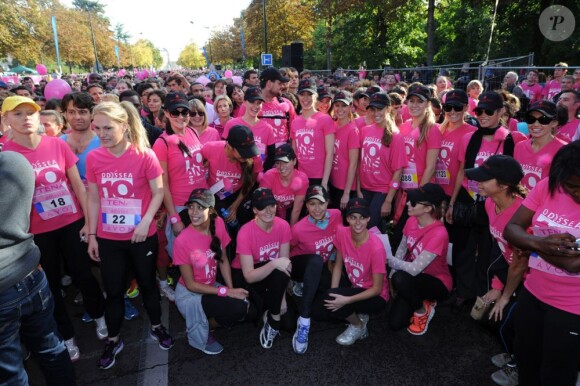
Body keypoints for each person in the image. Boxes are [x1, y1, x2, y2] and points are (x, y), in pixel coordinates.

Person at [3, 95, 107, 362]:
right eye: (17, 114)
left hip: (71, 223)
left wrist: (88, 223)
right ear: (5, 120)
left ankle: (99, 316)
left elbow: (77, 185)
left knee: (84, 274)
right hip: (35, 233)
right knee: (50, 285)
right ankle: (66, 334)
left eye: (30, 113)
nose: (26, 118)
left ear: (39, 117)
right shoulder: (5, 154)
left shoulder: (56, 145)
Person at [86, 101, 174, 370]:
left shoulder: (144, 155)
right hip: (109, 238)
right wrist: (91, 235)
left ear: (124, 126)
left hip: (141, 236)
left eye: (109, 128)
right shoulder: (93, 157)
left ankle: (157, 326)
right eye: (97, 128)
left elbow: (158, 191)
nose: (103, 133)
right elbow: (93, 198)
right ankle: (113, 339)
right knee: (113, 291)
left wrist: (145, 222)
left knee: (148, 285)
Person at [504, 141, 580, 386]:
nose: (577, 193)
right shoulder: (548, 186)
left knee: (556, 375)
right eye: (571, 187)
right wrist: (539, 243)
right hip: (533, 293)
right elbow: (511, 228)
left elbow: (574, 264)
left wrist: (531, 244)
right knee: (526, 362)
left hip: (572, 308)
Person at [0, 151, 76, 386]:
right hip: (31, 273)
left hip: (6, 285)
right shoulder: (15, 161)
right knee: (51, 348)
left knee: (10, 373)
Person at [447, 91, 525, 307]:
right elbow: (462, 172)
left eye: (488, 111)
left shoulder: (514, 139)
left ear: (501, 112)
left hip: (496, 204)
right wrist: (452, 203)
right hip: (468, 200)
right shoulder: (468, 137)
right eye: (479, 111)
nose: (482, 115)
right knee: (463, 250)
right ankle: (464, 291)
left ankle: (484, 295)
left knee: (488, 255)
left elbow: (515, 175)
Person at [463, 155, 527, 386]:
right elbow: (499, 247)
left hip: (530, 277)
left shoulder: (522, 214)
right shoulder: (490, 203)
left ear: (504, 185)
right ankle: (514, 355)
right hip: (509, 272)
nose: (477, 182)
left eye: (484, 179)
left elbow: (521, 263)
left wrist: (504, 294)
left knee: (511, 323)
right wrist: (497, 286)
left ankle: (521, 367)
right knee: (498, 322)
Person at [173, 188, 252, 355]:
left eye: (200, 207)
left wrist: (231, 289)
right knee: (236, 308)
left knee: (245, 308)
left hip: (210, 287)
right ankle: (200, 327)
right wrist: (226, 291)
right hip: (190, 295)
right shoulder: (182, 240)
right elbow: (191, 285)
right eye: (191, 207)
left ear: (211, 210)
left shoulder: (219, 224)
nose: (193, 212)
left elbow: (223, 259)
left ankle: (205, 324)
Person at [153, 92, 207, 301]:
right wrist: (174, 217)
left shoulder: (192, 131)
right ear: (166, 113)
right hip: (181, 206)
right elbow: (162, 184)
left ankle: (198, 287)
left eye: (186, 112)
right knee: (180, 253)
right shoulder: (162, 143)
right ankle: (168, 285)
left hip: (201, 203)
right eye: (176, 112)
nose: (182, 116)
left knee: (198, 250)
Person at [231, 187, 292, 349]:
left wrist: (282, 298)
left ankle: (272, 313)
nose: (268, 210)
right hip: (246, 275)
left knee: (291, 324)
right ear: (254, 210)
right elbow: (249, 276)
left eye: (271, 205)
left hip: (272, 274)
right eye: (262, 207)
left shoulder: (283, 226)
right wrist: (273, 263)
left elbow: (285, 264)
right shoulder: (245, 232)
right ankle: (273, 320)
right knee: (269, 316)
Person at [388, 183, 452, 335]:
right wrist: (390, 276)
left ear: (428, 208)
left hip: (436, 282)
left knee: (400, 278)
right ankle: (423, 300)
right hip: (413, 279)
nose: (408, 204)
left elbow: (415, 269)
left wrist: (388, 260)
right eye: (410, 199)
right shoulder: (411, 220)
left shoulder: (439, 234)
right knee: (395, 323)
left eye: (414, 202)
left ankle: (422, 310)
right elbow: (402, 249)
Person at [322, 197, 388, 345]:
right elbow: (338, 265)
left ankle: (359, 326)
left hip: (375, 296)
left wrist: (345, 300)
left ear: (368, 218)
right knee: (327, 304)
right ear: (347, 219)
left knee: (334, 303)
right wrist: (334, 292)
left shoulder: (376, 248)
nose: (358, 222)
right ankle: (357, 314)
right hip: (355, 285)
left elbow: (377, 289)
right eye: (353, 217)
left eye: (362, 217)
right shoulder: (342, 233)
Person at [289, 185, 342, 353]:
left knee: (332, 299)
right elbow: (287, 251)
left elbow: (337, 244)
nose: (317, 208)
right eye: (312, 204)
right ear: (306, 206)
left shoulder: (337, 216)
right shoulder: (298, 228)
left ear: (328, 203)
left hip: (323, 266)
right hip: (300, 266)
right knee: (316, 261)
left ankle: (308, 289)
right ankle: (304, 320)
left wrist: (333, 262)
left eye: (321, 203)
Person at [358, 92, 407, 229]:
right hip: (364, 189)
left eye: (380, 109)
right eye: (372, 109)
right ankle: (383, 250)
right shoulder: (365, 131)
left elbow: (398, 171)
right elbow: (359, 162)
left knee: (367, 226)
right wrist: (358, 187)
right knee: (376, 229)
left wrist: (388, 200)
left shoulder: (396, 136)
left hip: (382, 191)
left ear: (388, 109)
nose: (376, 113)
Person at [291, 79, 335, 189]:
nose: (305, 98)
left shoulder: (325, 119)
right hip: (300, 177)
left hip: (319, 178)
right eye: (302, 94)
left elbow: (330, 153)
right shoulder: (295, 122)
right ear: (298, 96)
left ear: (315, 96)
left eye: (309, 94)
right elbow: (294, 152)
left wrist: (324, 181)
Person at [514, 100, 566, 192]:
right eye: (531, 119)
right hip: (521, 204)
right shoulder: (519, 146)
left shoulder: (563, 150)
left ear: (554, 123)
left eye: (544, 120)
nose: (536, 124)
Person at [223, 87, 276, 169]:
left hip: (258, 175)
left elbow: (272, 155)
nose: (256, 106)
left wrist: (262, 172)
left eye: (259, 103)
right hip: (235, 173)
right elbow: (225, 150)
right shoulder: (231, 124)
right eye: (252, 102)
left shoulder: (267, 128)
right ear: (244, 102)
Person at [259, 144, 308, 225]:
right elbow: (263, 206)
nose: (281, 167)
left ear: (294, 161)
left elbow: (296, 210)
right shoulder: (269, 176)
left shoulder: (302, 179)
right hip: (271, 211)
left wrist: (291, 234)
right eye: (278, 163)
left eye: (285, 162)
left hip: (289, 210)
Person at [329, 90, 360, 211]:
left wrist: (346, 193)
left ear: (351, 107)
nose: (340, 109)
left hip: (345, 186)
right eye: (337, 105)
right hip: (332, 182)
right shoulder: (333, 125)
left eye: (344, 106)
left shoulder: (352, 130)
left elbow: (353, 164)